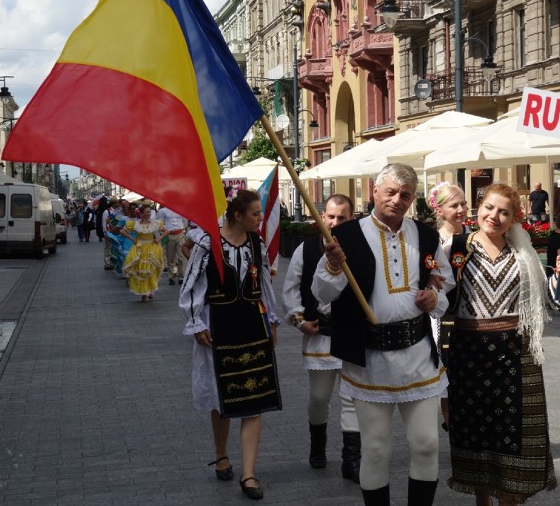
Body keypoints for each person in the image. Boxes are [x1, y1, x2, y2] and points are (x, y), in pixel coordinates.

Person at [312, 163, 454, 506]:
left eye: (405, 195)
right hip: (369, 360)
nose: (397, 200)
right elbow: (322, 295)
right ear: (374, 191)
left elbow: (443, 281)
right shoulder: (343, 237)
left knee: (426, 444)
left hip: (418, 354)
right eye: (390, 192)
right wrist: (332, 266)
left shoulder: (427, 235)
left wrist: (434, 297)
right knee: (375, 450)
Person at [445, 183, 560, 506]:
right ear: (478, 208)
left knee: (516, 441)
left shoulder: (523, 254)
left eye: (504, 212)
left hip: (516, 354)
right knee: (478, 439)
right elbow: (439, 299)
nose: (494, 216)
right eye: (489, 208)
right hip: (468, 355)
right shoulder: (455, 248)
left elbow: (551, 300)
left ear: (514, 218)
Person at [180, 189, 281, 501]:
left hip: (251, 323)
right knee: (222, 396)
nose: (259, 219)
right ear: (238, 215)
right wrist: (196, 323)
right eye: (254, 214)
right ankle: (222, 454)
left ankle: (249, 474)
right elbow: (191, 284)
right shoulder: (207, 243)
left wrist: (272, 319)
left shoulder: (256, 243)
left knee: (255, 397)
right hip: (218, 324)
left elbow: (263, 281)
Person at [282, 193, 361, 482]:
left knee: (353, 396)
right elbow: (290, 289)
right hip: (321, 334)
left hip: (352, 331)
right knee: (319, 397)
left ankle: (352, 459)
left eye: (342, 217)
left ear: (351, 218)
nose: (334, 221)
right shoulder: (307, 248)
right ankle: (317, 446)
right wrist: (299, 319)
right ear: (322, 216)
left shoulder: (361, 246)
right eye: (330, 215)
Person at [429, 181, 468, 428]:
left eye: (463, 203)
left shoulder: (476, 236)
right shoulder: (433, 240)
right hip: (445, 314)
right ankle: (449, 422)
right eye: (454, 205)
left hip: (472, 310)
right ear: (440, 210)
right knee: (447, 370)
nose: (461, 209)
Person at [120, 205, 168, 301]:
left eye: (149, 212)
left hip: (152, 249)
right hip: (139, 249)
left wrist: (158, 239)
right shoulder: (135, 224)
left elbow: (166, 231)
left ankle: (150, 290)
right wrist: (132, 239)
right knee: (141, 271)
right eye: (147, 212)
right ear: (141, 214)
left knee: (151, 270)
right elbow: (123, 231)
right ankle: (144, 292)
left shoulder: (155, 223)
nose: (149, 214)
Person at [156, 204, 187, 285]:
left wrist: (181, 229)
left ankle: (181, 276)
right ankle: (171, 277)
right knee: (170, 257)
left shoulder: (181, 208)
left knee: (181, 256)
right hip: (169, 235)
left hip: (180, 234)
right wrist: (164, 233)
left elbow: (185, 221)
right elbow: (159, 223)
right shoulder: (162, 211)